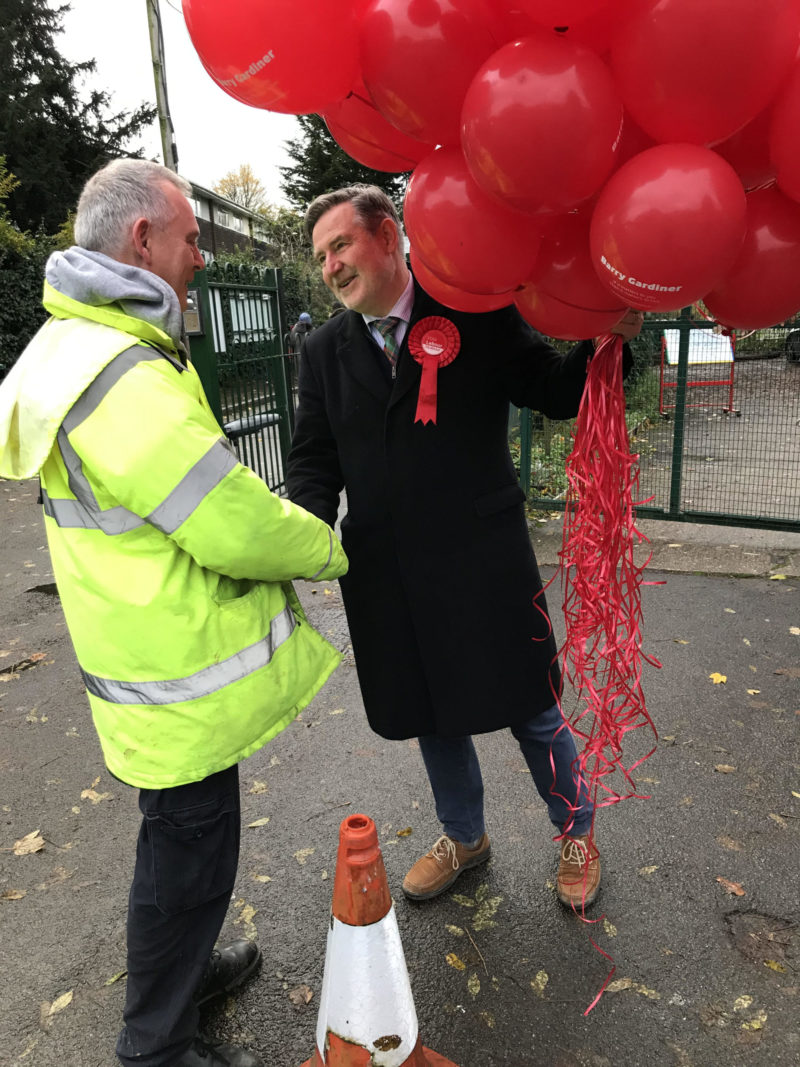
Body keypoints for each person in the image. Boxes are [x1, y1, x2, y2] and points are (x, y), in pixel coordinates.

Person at [0, 159, 348, 1067]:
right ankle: (155, 1044)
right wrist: (325, 543)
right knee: (187, 859)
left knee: (183, 843)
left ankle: (184, 980)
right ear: (141, 240)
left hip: (142, 647)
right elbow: (226, 518)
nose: (199, 255)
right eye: (191, 238)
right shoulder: (121, 371)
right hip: (173, 665)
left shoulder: (72, 341)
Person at [286, 184, 643, 911]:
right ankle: (464, 835)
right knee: (429, 709)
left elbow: (552, 387)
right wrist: (304, 530)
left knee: (530, 703)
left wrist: (609, 337)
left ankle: (576, 829)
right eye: (321, 256)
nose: (330, 266)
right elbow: (314, 459)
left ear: (387, 237)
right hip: (388, 569)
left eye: (340, 246)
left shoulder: (473, 312)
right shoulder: (322, 349)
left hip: (483, 555)